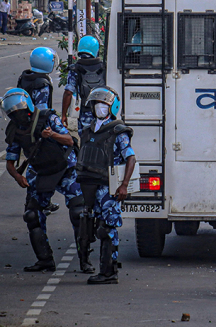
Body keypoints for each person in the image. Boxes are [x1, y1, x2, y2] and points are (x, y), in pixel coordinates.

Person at [3, 88, 85, 273]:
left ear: (28, 108)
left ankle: (84, 259)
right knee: (32, 215)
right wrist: (18, 177)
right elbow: (10, 162)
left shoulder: (48, 117)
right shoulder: (15, 130)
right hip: (40, 171)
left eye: (20, 112)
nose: (19, 117)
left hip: (64, 168)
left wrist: (52, 135)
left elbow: (69, 141)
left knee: (79, 212)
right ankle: (45, 260)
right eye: (14, 115)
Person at [75, 87, 136, 284]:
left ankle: (109, 273)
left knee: (107, 229)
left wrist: (124, 185)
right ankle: (101, 268)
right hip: (90, 186)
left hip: (109, 187)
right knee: (90, 226)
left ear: (112, 107)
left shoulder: (118, 131)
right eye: (96, 104)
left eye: (104, 104)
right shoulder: (88, 130)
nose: (99, 108)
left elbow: (131, 158)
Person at [62, 35, 105, 132]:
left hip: (85, 115)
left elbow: (68, 92)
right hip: (103, 114)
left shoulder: (75, 69)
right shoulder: (104, 68)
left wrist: (64, 115)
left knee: (85, 141)